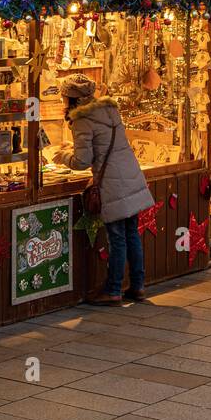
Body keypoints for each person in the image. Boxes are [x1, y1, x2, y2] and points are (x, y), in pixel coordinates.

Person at [56, 75, 154, 304]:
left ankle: (113, 290)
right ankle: (138, 286)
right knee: (131, 233)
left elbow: (82, 161)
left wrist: (64, 156)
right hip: (130, 174)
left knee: (117, 237)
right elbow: (104, 142)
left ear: (70, 98)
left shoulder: (81, 120)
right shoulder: (109, 110)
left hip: (111, 182)